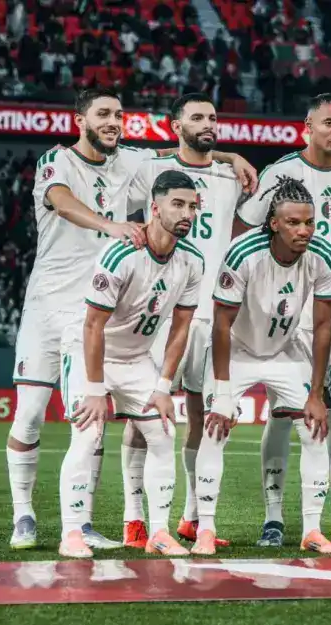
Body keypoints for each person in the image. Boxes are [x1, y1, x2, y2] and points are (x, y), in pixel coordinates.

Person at [6, 87, 258, 551]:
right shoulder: (56, 161)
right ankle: (24, 514)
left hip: (105, 308)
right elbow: (60, 201)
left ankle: (83, 525)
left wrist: (229, 154)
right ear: (79, 119)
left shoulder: (132, 161)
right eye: (102, 114)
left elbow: (179, 150)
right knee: (30, 416)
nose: (112, 122)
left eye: (118, 115)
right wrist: (112, 225)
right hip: (51, 305)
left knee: (93, 424)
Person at [235, 93, 331, 548]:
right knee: (285, 412)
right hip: (289, 314)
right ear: (307, 125)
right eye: (328, 122)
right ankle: (274, 515)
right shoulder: (281, 173)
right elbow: (251, 230)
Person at [58, 170, 204, 559]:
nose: (187, 212)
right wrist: (93, 391)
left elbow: (181, 326)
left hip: (137, 359)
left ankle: (157, 532)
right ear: (154, 209)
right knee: (87, 435)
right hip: (92, 354)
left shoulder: (192, 261)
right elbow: (93, 325)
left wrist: (163, 385)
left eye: (192, 205)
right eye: (177, 204)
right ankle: (71, 533)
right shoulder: (121, 253)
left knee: (162, 435)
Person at [119, 93, 243, 550]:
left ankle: (193, 518)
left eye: (213, 117)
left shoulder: (232, 176)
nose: (208, 123)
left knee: (204, 417)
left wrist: (230, 156)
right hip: (158, 312)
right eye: (197, 117)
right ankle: (134, 518)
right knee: (144, 416)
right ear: (175, 125)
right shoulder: (151, 170)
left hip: (212, 313)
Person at [199, 177, 331, 555]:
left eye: (309, 222)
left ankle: (312, 529)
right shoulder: (243, 253)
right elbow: (221, 323)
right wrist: (224, 393)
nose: (304, 230)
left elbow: (323, 325)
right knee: (215, 427)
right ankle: (205, 530)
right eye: (294, 223)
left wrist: (316, 392)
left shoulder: (323, 255)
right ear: (274, 223)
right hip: (239, 349)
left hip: (286, 350)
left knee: (315, 431)